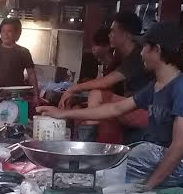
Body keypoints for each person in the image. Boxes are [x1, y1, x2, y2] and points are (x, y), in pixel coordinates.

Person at [37, 23, 183, 190]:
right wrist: (62, 114)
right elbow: (115, 109)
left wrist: (149, 186)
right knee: (115, 164)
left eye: (145, 47)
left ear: (157, 50)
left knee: (115, 169)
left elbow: (179, 147)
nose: (141, 52)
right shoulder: (156, 85)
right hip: (158, 157)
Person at [58, 11, 154, 144]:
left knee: (97, 95)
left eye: (113, 31)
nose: (110, 35)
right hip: (132, 106)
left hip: (145, 111)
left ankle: (86, 147)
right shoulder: (122, 57)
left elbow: (106, 83)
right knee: (82, 108)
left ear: (125, 34)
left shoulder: (137, 56)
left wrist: (73, 88)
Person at [0, 18, 40, 97]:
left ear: (17, 33)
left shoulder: (24, 52)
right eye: (3, 31)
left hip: (18, 95)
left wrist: (36, 96)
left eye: (9, 31)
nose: (6, 34)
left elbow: (31, 74)